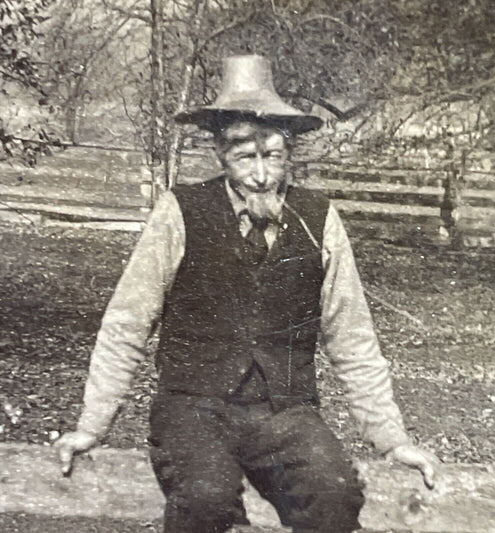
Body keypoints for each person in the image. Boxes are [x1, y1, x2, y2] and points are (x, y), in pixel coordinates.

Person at [55, 55, 438, 533]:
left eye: (272, 156)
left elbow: (353, 338)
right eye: (245, 156)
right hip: (192, 409)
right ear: (222, 154)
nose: (260, 174)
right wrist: (93, 425)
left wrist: (391, 439)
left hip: (285, 414)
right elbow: (126, 324)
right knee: (206, 498)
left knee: (335, 492)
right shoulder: (180, 212)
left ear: (288, 153)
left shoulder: (318, 219)